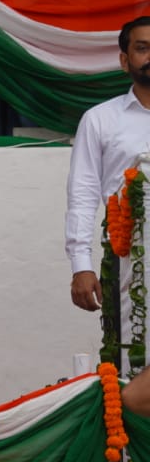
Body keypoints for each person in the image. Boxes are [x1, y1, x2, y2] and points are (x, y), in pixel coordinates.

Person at [67, 17, 150, 314]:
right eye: (143, 48)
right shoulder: (100, 119)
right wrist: (82, 265)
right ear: (125, 61)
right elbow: (83, 195)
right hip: (126, 258)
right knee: (133, 351)